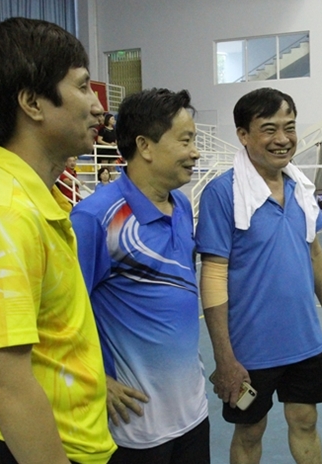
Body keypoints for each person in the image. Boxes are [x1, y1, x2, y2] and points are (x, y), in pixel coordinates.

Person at [0, 17, 115, 464]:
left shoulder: (29, 200)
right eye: (82, 86)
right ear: (32, 103)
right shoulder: (2, 215)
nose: (98, 107)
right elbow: (4, 382)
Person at [195, 87, 322, 464]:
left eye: (289, 127)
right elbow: (213, 275)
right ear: (243, 135)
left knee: (306, 420)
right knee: (250, 430)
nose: (283, 138)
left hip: (303, 340)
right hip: (250, 347)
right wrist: (224, 357)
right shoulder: (222, 193)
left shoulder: (301, 189)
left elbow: (314, 253)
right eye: (269, 129)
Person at [71, 88, 209, 463]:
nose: (195, 152)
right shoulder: (94, 218)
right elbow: (61, 316)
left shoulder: (182, 205)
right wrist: (96, 378)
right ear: (145, 146)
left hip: (193, 412)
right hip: (135, 428)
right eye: (185, 140)